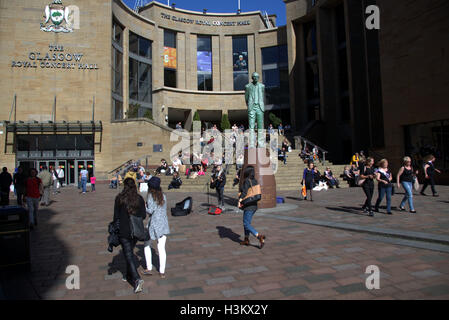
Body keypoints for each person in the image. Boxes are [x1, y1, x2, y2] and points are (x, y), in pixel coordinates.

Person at [112, 178, 146, 293]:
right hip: (135, 231)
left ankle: (136, 279)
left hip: (124, 230)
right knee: (129, 253)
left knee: (128, 254)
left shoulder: (119, 198)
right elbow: (143, 215)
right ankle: (128, 275)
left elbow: (115, 216)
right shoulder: (139, 199)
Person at [142, 177, 170, 278]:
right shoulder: (163, 195)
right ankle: (162, 271)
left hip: (153, 223)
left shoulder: (150, 196)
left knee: (146, 244)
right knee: (161, 248)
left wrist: (145, 206)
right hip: (163, 223)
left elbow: (150, 210)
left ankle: (149, 268)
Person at [238, 166, 265, 249]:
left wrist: (240, 200)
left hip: (248, 205)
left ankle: (258, 236)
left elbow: (245, 192)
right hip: (254, 204)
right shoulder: (255, 180)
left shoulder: (247, 181)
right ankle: (246, 239)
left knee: (246, 223)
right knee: (247, 223)